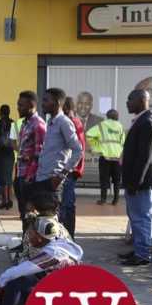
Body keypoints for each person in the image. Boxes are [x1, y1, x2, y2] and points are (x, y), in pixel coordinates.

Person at [119, 89, 152, 266]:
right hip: (134, 181)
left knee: (142, 217)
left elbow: (144, 156)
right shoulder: (141, 121)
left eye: (130, 99)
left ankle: (143, 255)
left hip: (140, 182)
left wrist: (135, 182)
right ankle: (139, 249)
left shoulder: (148, 122)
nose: (127, 102)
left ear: (142, 100)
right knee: (136, 217)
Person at [33, 88, 83, 215]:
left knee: (54, 222)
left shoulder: (64, 122)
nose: (42, 103)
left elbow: (78, 150)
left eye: (46, 100)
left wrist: (61, 175)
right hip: (42, 178)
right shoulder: (50, 122)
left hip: (54, 181)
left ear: (57, 102)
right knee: (43, 219)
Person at [15, 91, 46, 231]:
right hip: (20, 174)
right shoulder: (25, 123)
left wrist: (29, 177)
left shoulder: (38, 125)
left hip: (30, 177)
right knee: (23, 214)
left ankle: (30, 248)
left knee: (30, 214)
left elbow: (40, 154)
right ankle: (24, 245)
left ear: (31, 105)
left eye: (21, 105)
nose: (17, 107)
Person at [58, 97, 86, 238]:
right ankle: (68, 235)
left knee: (67, 205)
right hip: (72, 169)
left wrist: (70, 168)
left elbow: (78, 149)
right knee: (65, 204)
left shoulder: (72, 123)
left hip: (70, 169)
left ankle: (68, 236)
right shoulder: (75, 122)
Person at [86, 109, 125, 205]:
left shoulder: (102, 125)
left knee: (104, 179)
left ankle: (103, 199)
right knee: (117, 180)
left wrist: (97, 147)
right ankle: (115, 200)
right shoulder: (120, 126)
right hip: (117, 158)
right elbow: (123, 141)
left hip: (105, 157)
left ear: (107, 116)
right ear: (117, 117)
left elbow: (89, 134)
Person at [0, 105, 16, 210]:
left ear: (0, 112)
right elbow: (15, 138)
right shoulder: (13, 123)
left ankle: (4, 201)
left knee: (2, 179)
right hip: (10, 154)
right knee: (9, 178)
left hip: (1, 154)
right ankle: (10, 200)